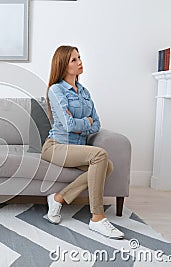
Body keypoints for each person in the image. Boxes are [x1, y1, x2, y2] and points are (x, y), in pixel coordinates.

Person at [41, 45, 124, 239]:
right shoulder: (56, 90)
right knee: (100, 155)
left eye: (79, 58)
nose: (80, 62)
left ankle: (58, 198)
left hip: (77, 147)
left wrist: (83, 123)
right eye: (74, 60)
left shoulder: (84, 93)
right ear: (63, 65)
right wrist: (85, 121)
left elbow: (97, 124)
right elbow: (68, 126)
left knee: (107, 166)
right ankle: (97, 217)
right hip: (57, 146)